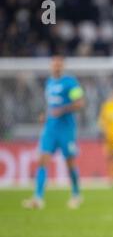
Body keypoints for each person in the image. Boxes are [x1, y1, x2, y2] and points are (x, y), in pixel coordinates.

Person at [22, 55, 85, 210]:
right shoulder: (49, 83)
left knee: (70, 163)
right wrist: (46, 114)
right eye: (54, 64)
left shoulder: (70, 83)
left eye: (59, 64)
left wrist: (62, 110)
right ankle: (38, 198)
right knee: (42, 160)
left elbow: (80, 103)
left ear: (63, 66)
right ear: (51, 66)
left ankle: (76, 194)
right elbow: (51, 105)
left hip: (66, 129)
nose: (56, 67)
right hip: (50, 129)